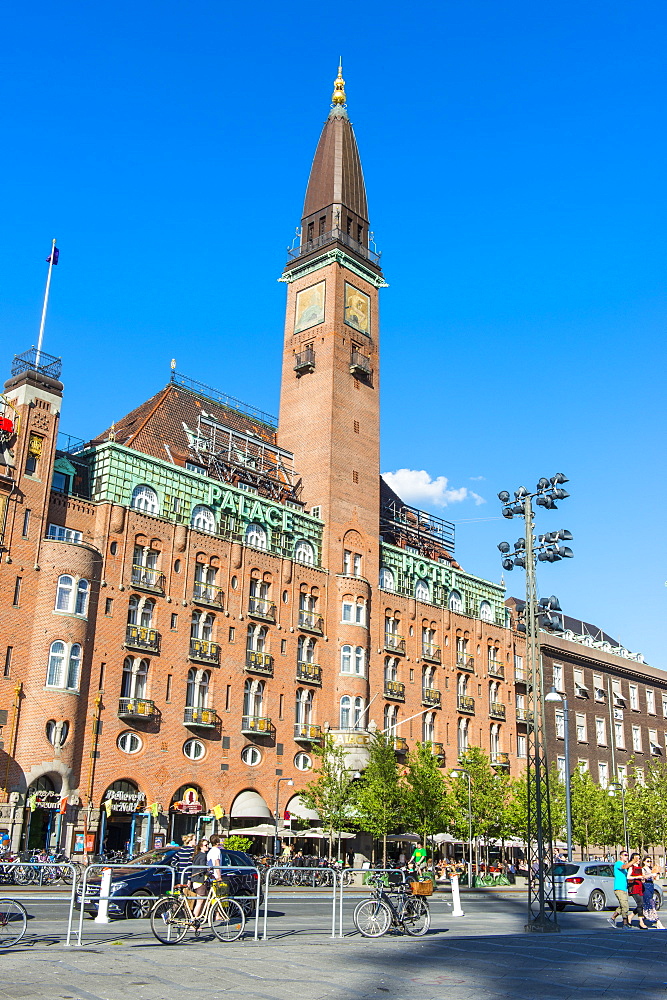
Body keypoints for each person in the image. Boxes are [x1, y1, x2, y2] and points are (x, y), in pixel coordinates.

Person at [608, 850, 632, 928]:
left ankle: (612, 918)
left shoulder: (625, 866)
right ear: (621, 856)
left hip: (624, 888)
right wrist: (633, 861)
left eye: (627, 855)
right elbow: (624, 866)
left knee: (622, 905)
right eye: (625, 855)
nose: (626, 857)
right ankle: (625, 924)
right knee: (625, 906)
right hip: (619, 888)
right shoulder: (618, 863)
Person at [188, 838, 210, 921]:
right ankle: (194, 921)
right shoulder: (203, 855)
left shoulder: (197, 854)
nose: (207, 846)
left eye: (208, 845)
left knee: (201, 901)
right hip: (200, 880)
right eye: (205, 845)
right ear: (201, 847)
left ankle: (197, 920)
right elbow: (202, 868)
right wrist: (208, 872)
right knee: (199, 902)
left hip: (195, 880)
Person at [641, 856, 664, 929]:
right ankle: (658, 922)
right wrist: (651, 874)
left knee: (646, 905)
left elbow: (656, 878)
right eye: (647, 861)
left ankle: (640, 919)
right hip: (645, 887)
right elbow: (643, 877)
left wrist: (657, 872)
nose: (649, 863)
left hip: (651, 887)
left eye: (650, 861)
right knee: (651, 904)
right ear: (644, 862)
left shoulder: (651, 869)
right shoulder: (643, 869)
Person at [627, 852, 647, 929]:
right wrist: (636, 877)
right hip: (634, 887)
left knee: (641, 904)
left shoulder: (640, 868)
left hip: (640, 887)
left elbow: (642, 877)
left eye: (639, 858)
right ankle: (641, 922)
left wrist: (643, 879)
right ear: (633, 859)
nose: (639, 860)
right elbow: (628, 877)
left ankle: (630, 916)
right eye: (637, 858)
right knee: (640, 903)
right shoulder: (631, 867)